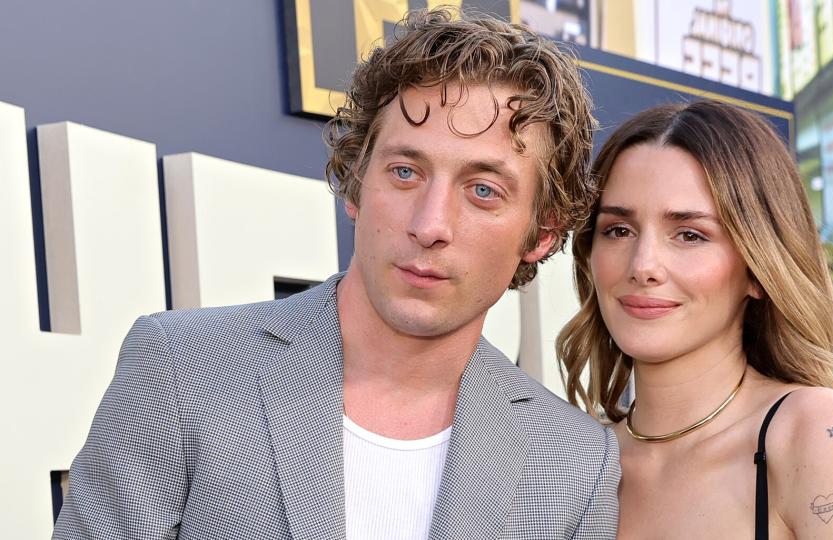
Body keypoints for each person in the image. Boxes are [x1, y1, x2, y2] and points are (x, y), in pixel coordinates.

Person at [54, 8, 619, 540]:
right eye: (404, 171)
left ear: (541, 233)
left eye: (483, 191)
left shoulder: (574, 463)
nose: (430, 224)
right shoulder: (182, 368)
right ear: (355, 185)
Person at [558, 100, 833, 539]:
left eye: (689, 235)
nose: (643, 265)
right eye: (618, 230)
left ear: (757, 271)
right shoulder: (572, 466)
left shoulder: (814, 434)